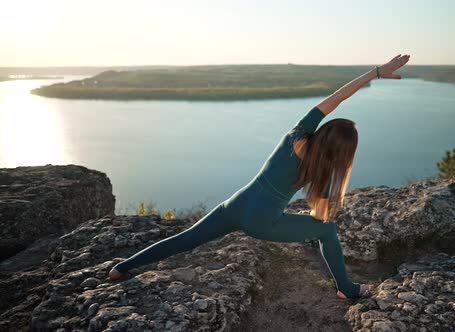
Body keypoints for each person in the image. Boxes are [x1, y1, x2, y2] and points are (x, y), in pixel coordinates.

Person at [109, 54, 411, 299]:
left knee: (186, 239)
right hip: (262, 222)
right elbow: (321, 213)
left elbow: (337, 97)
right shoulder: (323, 168)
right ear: (343, 152)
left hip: (236, 204)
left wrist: (374, 72)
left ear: (326, 131)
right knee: (327, 230)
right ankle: (346, 288)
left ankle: (121, 268)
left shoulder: (297, 134)